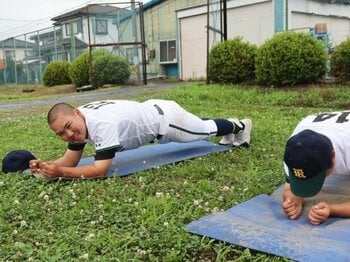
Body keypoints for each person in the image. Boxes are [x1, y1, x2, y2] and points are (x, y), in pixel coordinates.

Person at [29, 99, 252, 180]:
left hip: (166, 121)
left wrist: (60, 173)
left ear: (77, 113)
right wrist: (47, 166)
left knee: (204, 130)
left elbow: (100, 170)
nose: (68, 135)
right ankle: (227, 125)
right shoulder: (79, 122)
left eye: (68, 127)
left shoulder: (101, 124)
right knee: (196, 126)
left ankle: (240, 125)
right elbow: (70, 160)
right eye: (61, 133)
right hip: (154, 111)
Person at [282, 110, 350, 225]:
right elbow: (289, 188)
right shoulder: (295, 147)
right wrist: (292, 200)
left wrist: (332, 209)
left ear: (333, 156)